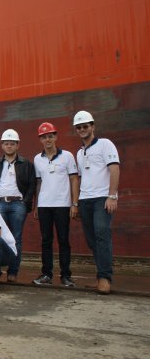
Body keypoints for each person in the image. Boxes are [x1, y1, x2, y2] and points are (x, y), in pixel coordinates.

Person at [73, 110, 120, 295]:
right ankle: (100, 276)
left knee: (102, 235)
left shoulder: (105, 144)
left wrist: (112, 196)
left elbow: (115, 169)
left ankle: (105, 278)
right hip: (85, 200)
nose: (82, 129)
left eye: (85, 126)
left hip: (102, 199)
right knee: (92, 240)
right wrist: (76, 203)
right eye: (79, 127)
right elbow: (81, 178)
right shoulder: (79, 152)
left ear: (92, 126)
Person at [32, 122, 79, 287]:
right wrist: (36, 205)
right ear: (40, 139)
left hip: (62, 205)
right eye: (44, 137)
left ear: (56, 137)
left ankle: (66, 276)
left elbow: (74, 179)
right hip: (44, 205)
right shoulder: (37, 159)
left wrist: (74, 203)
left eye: (50, 136)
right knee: (46, 240)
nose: (47, 140)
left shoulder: (67, 156)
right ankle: (46, 274)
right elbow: (38, 183)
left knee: (63, 240)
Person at [0, 129, 35, 283]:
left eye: (12, 143)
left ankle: (13, 271)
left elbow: (32, 184)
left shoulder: (26, 164)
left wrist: (25, 202)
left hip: (18, 204)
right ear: (2, 145)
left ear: (17, 145)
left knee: (16, 238)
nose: (9, 146)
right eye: (6, 143)